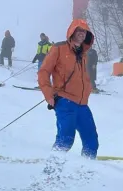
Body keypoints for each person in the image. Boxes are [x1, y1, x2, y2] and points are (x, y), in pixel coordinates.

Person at [37, 19, 98, 159]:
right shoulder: (58, 48)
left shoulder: (84, 54)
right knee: (65, 140)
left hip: (82, 104)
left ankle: (85, 176)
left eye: (84, 31)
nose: (82, 34)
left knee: (91, 141)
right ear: (72, 31)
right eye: (79, 30)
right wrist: (48, 94)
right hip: (65, 101)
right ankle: (51, 177)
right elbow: (43, 72)